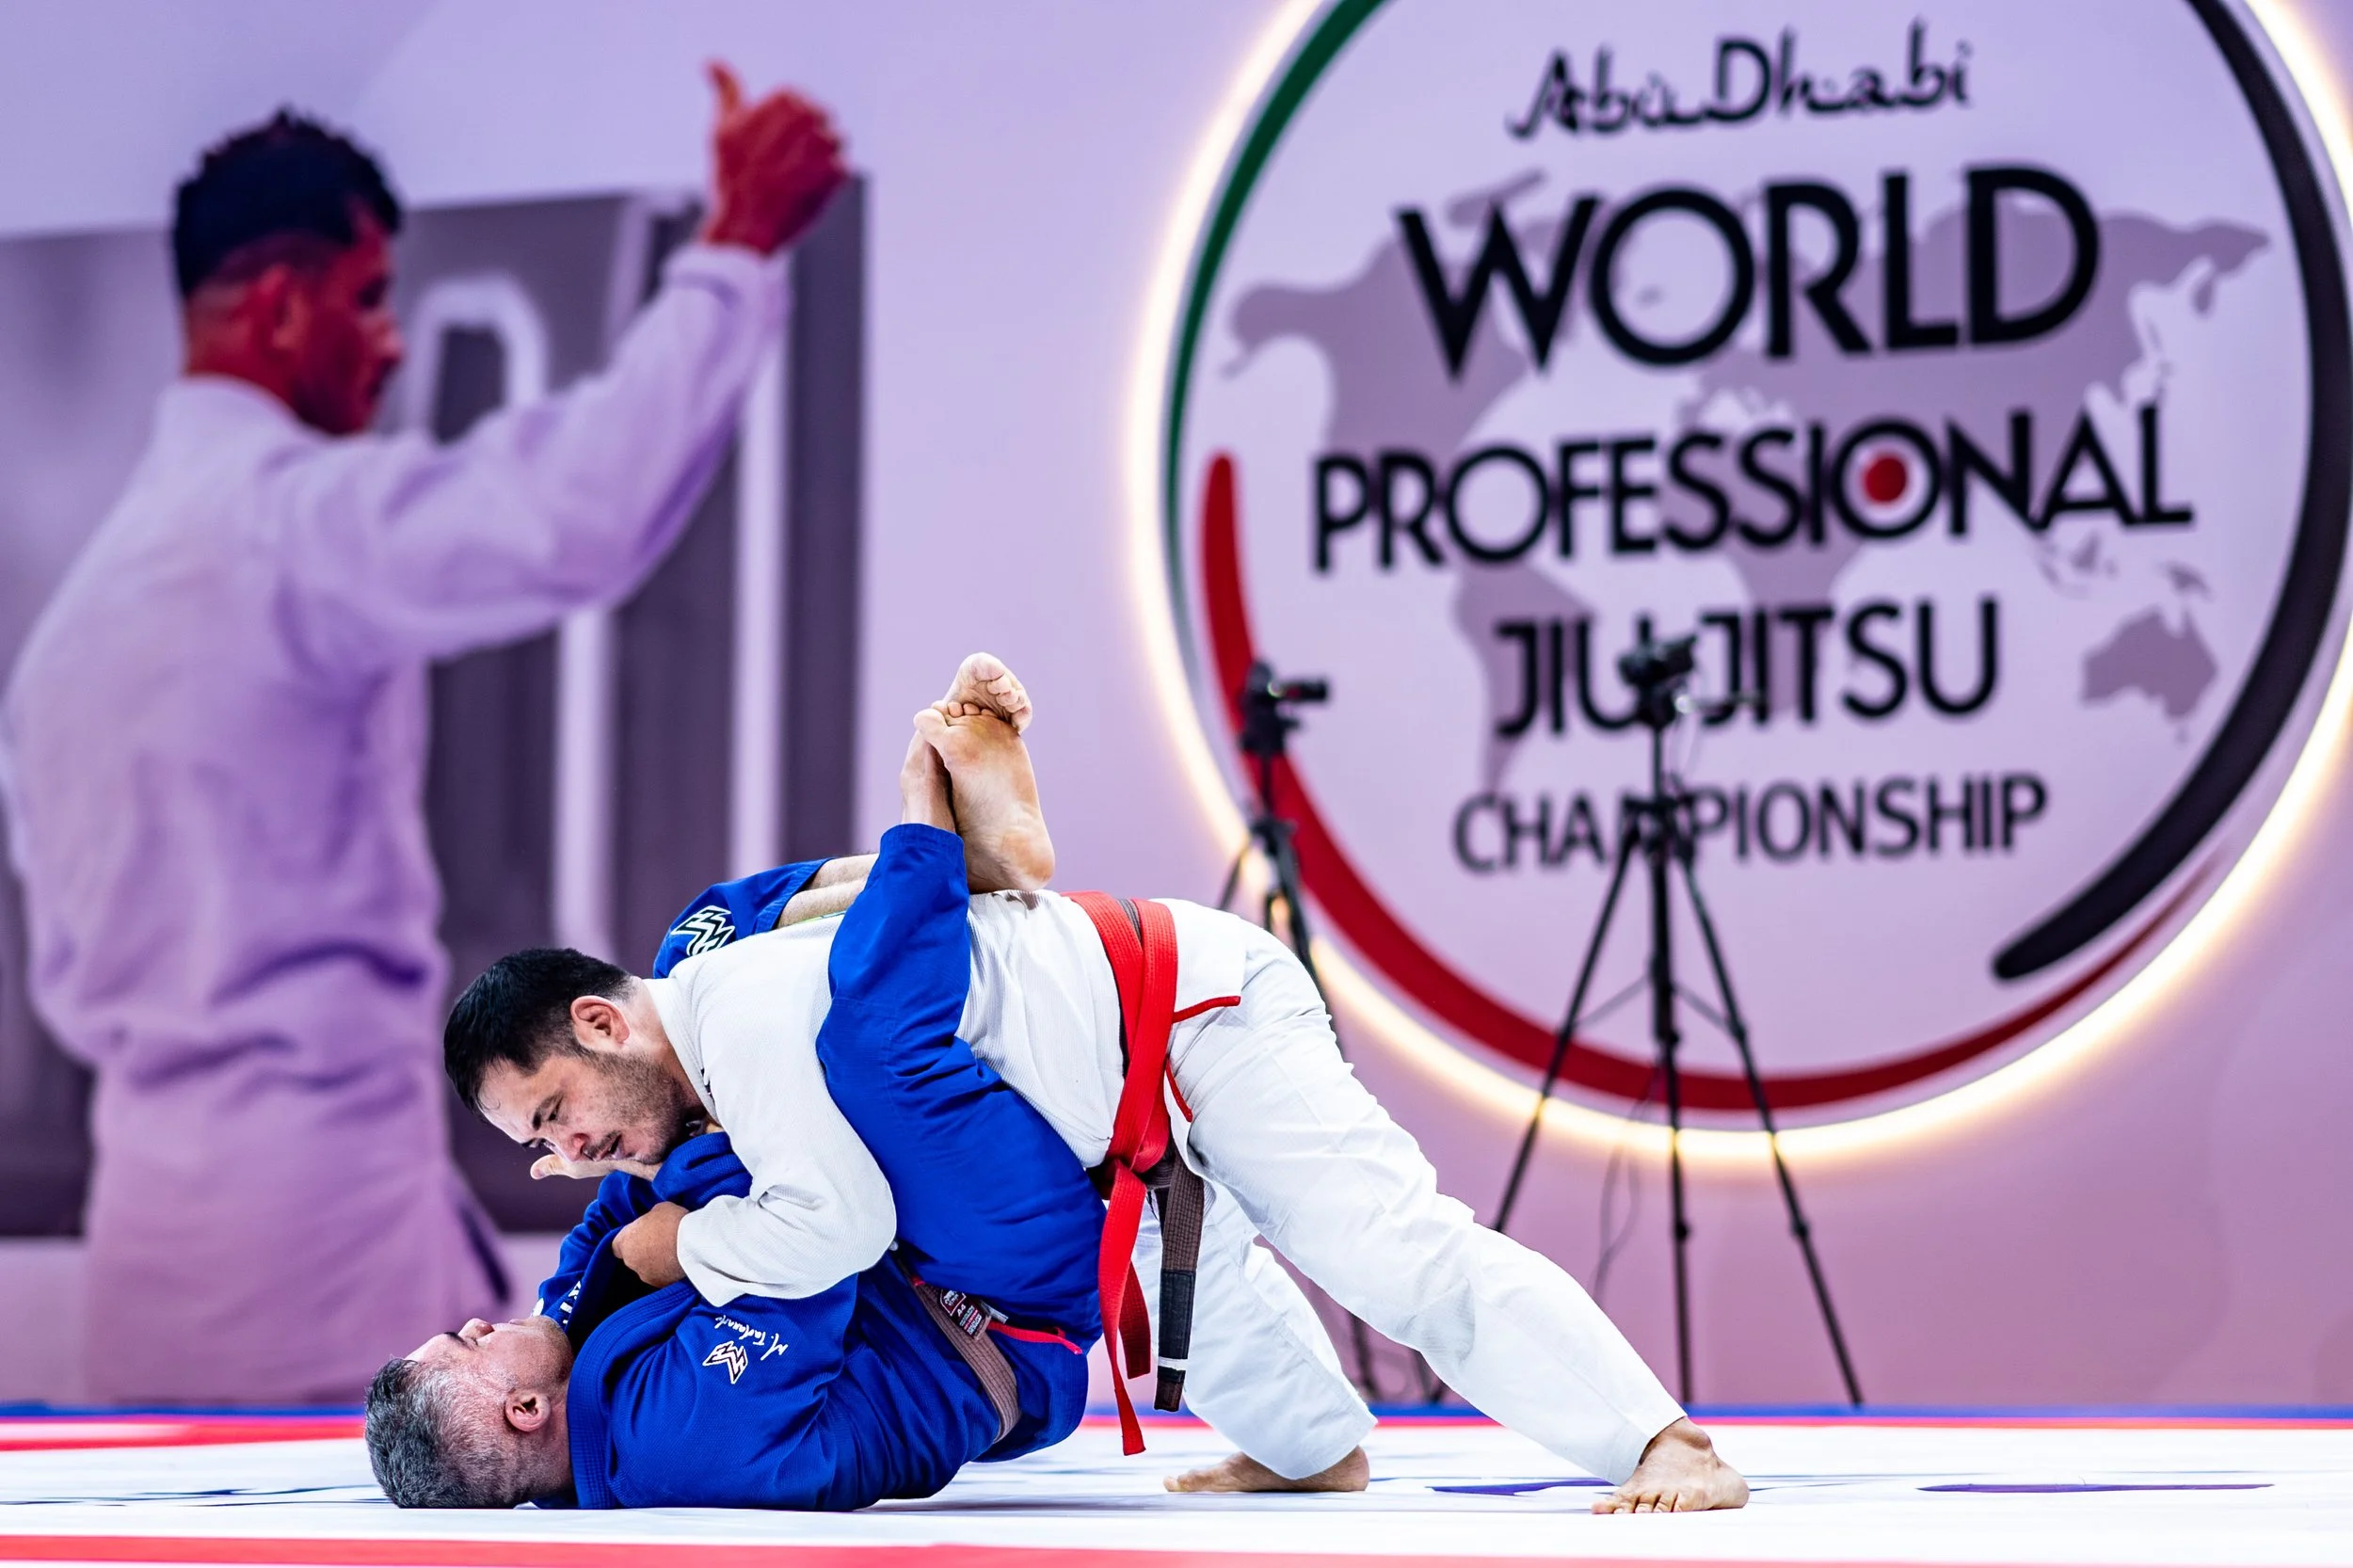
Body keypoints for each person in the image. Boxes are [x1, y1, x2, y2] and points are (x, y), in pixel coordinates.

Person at [0, 69, 846, 1402]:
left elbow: (58, 970)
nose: (392, 345)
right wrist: (733, 251)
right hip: (316, 1243)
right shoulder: (285, 525)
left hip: (143, 1258)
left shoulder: (65, 639)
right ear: (282, 306)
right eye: (370, 299)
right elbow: (576, 507)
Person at [448, 667, 1750, 1512]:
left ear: (604, 1021)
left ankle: (1664, 1438)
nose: (563, 1153)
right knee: (1199, 1307)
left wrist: (682, 1239)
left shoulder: (732, 1025)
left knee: (1384, 1248)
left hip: (1185, 1011)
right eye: (540, 1150)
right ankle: (1313, 1447)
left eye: (553, 1114)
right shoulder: (711, 972)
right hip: (1098, 1102)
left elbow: (833, 1232)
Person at [371, 806, 1106, 1511]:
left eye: (555, 1120)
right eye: (463, 1349)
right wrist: (674, 1188)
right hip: (1005, 1298)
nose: (473, 1325)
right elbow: (804, 1235)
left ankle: (964, 868)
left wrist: (648, 1166)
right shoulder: (679, 1441)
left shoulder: (568, 1360)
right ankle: (930, 857)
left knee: (693, 953)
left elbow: (614, 1225)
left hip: (917, 1253)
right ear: (526, 1410)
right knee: (808, 1045)